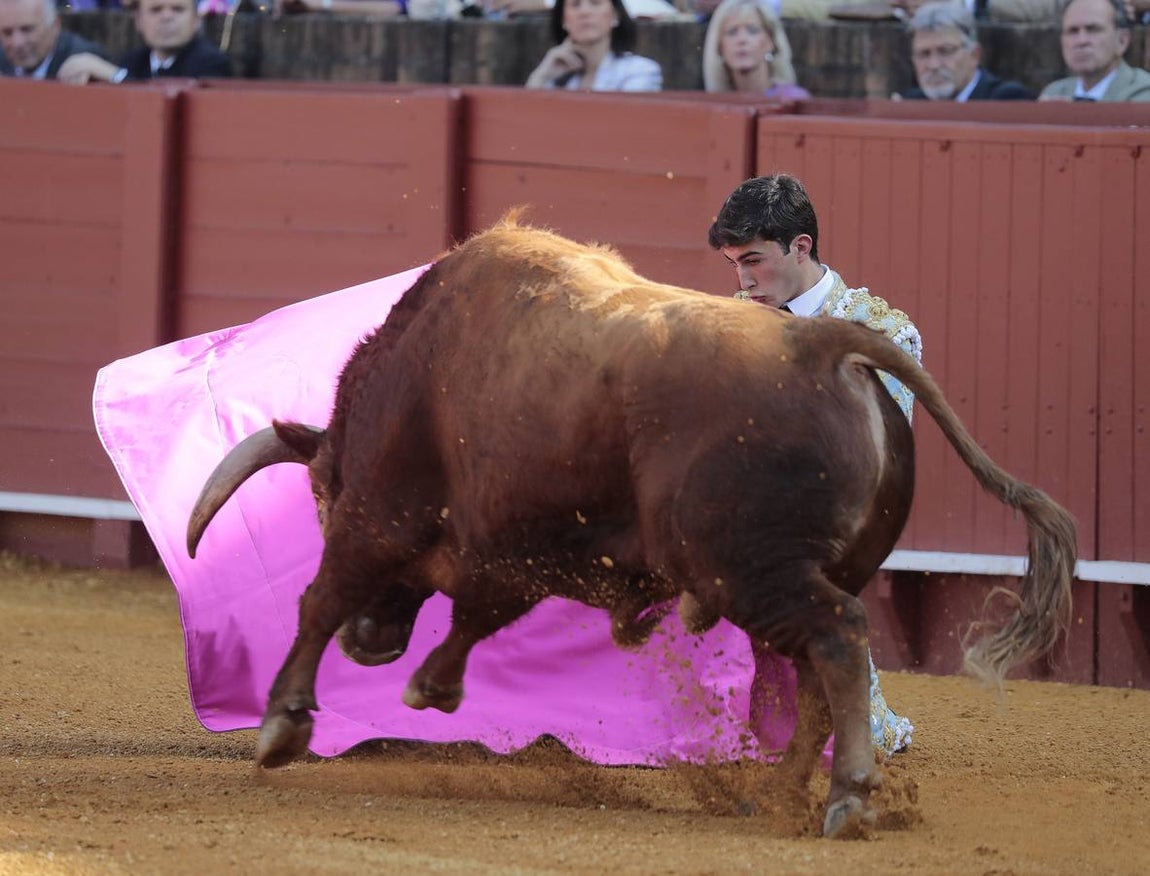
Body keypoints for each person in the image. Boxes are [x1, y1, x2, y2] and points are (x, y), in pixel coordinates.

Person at [708, 173, 920, 755]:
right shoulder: (727, 326)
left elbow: (873, 468)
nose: (743, 281)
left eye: (754, 261)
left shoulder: (881, 333)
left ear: (800, 247)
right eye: (733, 264)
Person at [55, 0, 233, 84]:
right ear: (139, 21)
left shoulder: (213, 64)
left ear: (196, 20)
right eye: (156, 10)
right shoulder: (131, 60)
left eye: (177, 9)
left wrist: (115, 75)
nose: (166, 17)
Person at [898, 1, 1034, 101]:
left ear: (974, 55)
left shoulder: (1008, 99)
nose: (934, 65)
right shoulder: (910, 103)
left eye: (945, 51)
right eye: (923, 54)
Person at [525, 0, 662, 91]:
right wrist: (541, 76)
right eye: (575, 4)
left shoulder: (639, 71)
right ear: (563, 20)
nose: (584, 12)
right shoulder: (554, 75)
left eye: (595, 3)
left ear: (615, 15)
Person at [1040, 0, 1150, 101]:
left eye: (1093, 30)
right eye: (1072, 31)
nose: (1081, 41)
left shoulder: (1144, 92)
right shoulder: (1054, 92)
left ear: (1122, 41)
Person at [701, 0, 811, 99]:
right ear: (719, 46)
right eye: (732, 32)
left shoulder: (794, 100)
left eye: (752, 30)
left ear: (771, 41)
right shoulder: (714, 103)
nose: (742, 39)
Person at [0, 0, 110, 79]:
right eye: (7, 33)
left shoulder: (87, 59)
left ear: (55, 25)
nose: (17, 43)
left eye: (27, 30)